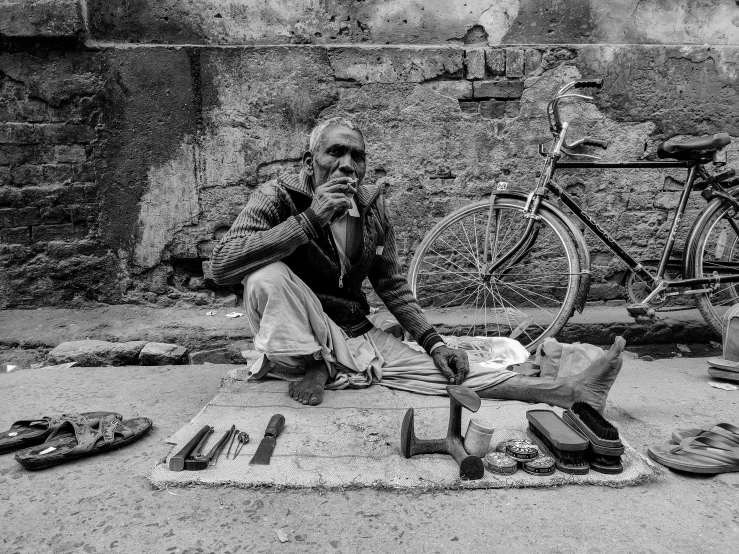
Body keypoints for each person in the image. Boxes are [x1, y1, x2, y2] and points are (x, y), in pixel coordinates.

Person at [210, 117, 624, 411]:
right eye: (334, 153)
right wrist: (308, 220)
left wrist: (435, 342)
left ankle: (569, 392)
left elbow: (391, 285)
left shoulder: (371, 209)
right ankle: (312, 363)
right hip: (295, 325)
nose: (347, 166)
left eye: (357, 156)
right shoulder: (277, 197)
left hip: (349, 330)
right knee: (265, 275)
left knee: (445, 372)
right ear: (309, 161)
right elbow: (222, 264)